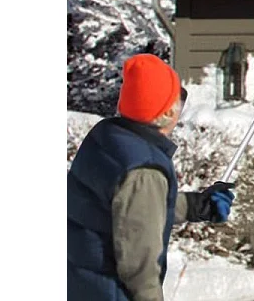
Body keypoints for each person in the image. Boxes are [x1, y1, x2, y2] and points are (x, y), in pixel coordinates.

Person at [67, 53, 236, 301]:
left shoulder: (107, 138)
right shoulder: (143, 169)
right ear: (167, 112)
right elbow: (139, 259)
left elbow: (130, 207)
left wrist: (194, 206)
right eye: (178, 97)